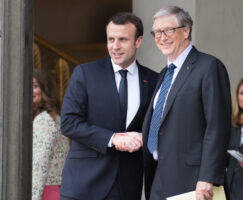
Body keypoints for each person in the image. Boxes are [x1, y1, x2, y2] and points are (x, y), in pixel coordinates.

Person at [59, 12, 158, 200]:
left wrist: (144, 137)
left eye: (122, 39)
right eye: (111, 39)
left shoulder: (153, 80)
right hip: (83, 185)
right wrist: (112, 138)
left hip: (127, 186)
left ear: (138, 41)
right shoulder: (85, 73)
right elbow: (68, 123)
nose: (115, 46)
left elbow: (160, 126)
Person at [142, 6, 232, 200]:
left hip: (193, 180)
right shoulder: (164, 74)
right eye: (157, 32)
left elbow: (217, 126)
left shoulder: (208, 67)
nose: (162, 37)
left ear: (186, 31)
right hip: (159, 176)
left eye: (169, 30)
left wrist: (208, 176)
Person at [32, 69, 69, 200]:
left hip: (46, 192)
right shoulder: (53, 117)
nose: (30, 90)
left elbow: (39, 165)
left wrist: (34, 197)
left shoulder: (44, 120)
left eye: (35, 86)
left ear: (45, 89)